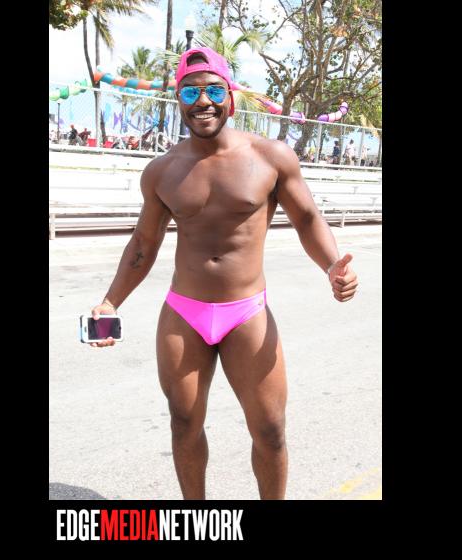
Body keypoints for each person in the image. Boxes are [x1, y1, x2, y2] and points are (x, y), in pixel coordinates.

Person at [88, 47, 358, 500]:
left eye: (214, 90)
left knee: (270, 429)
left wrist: (331, 265)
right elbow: (144, 244)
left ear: (230, 97)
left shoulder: (271, 156)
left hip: (246, 313)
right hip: (184, 312)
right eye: (190, 92)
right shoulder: (161, 171)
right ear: (178, 99)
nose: (203, 101)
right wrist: (110, 302)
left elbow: (308, 218)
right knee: (183, 424)